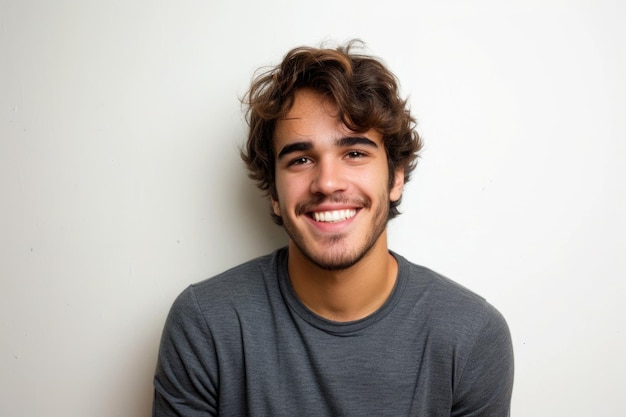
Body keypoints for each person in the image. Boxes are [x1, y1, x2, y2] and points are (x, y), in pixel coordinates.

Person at [152, 40, 514, 416]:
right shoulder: (205, 324)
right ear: (274, 193)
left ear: (395, 178)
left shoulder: (472, 336)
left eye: (355, 153)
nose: (327, 182)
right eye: (301, 159)